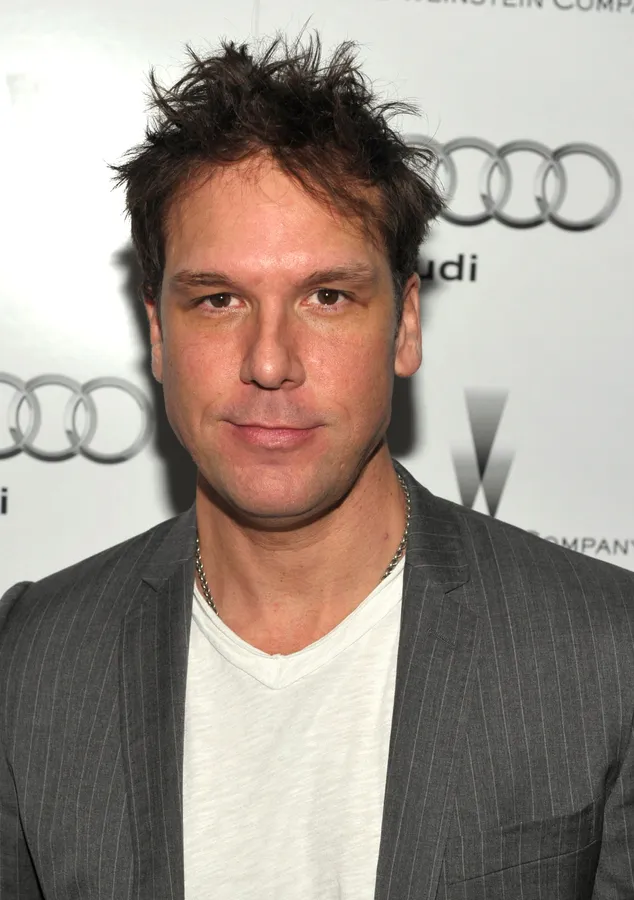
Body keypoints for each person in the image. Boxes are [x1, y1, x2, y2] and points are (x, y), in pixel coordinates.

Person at [0, 34, 632, 900]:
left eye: (327, 297)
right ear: (157, 333)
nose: (270, 361)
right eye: (219, 300)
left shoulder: (604, 655)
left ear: (405, 326)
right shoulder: (31, 662)